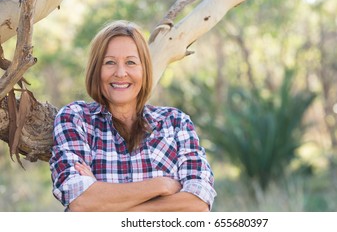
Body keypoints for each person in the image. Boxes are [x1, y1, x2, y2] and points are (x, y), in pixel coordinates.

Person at [49, 20, 216, 212]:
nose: (121, 73)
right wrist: (161, 185)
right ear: (97, 69)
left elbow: (198, 204)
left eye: (131, 62)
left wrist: (108, 205)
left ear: (144, 70)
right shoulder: (75, 119)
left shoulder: (175, 122)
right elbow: (81, 202)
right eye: (110, 62)